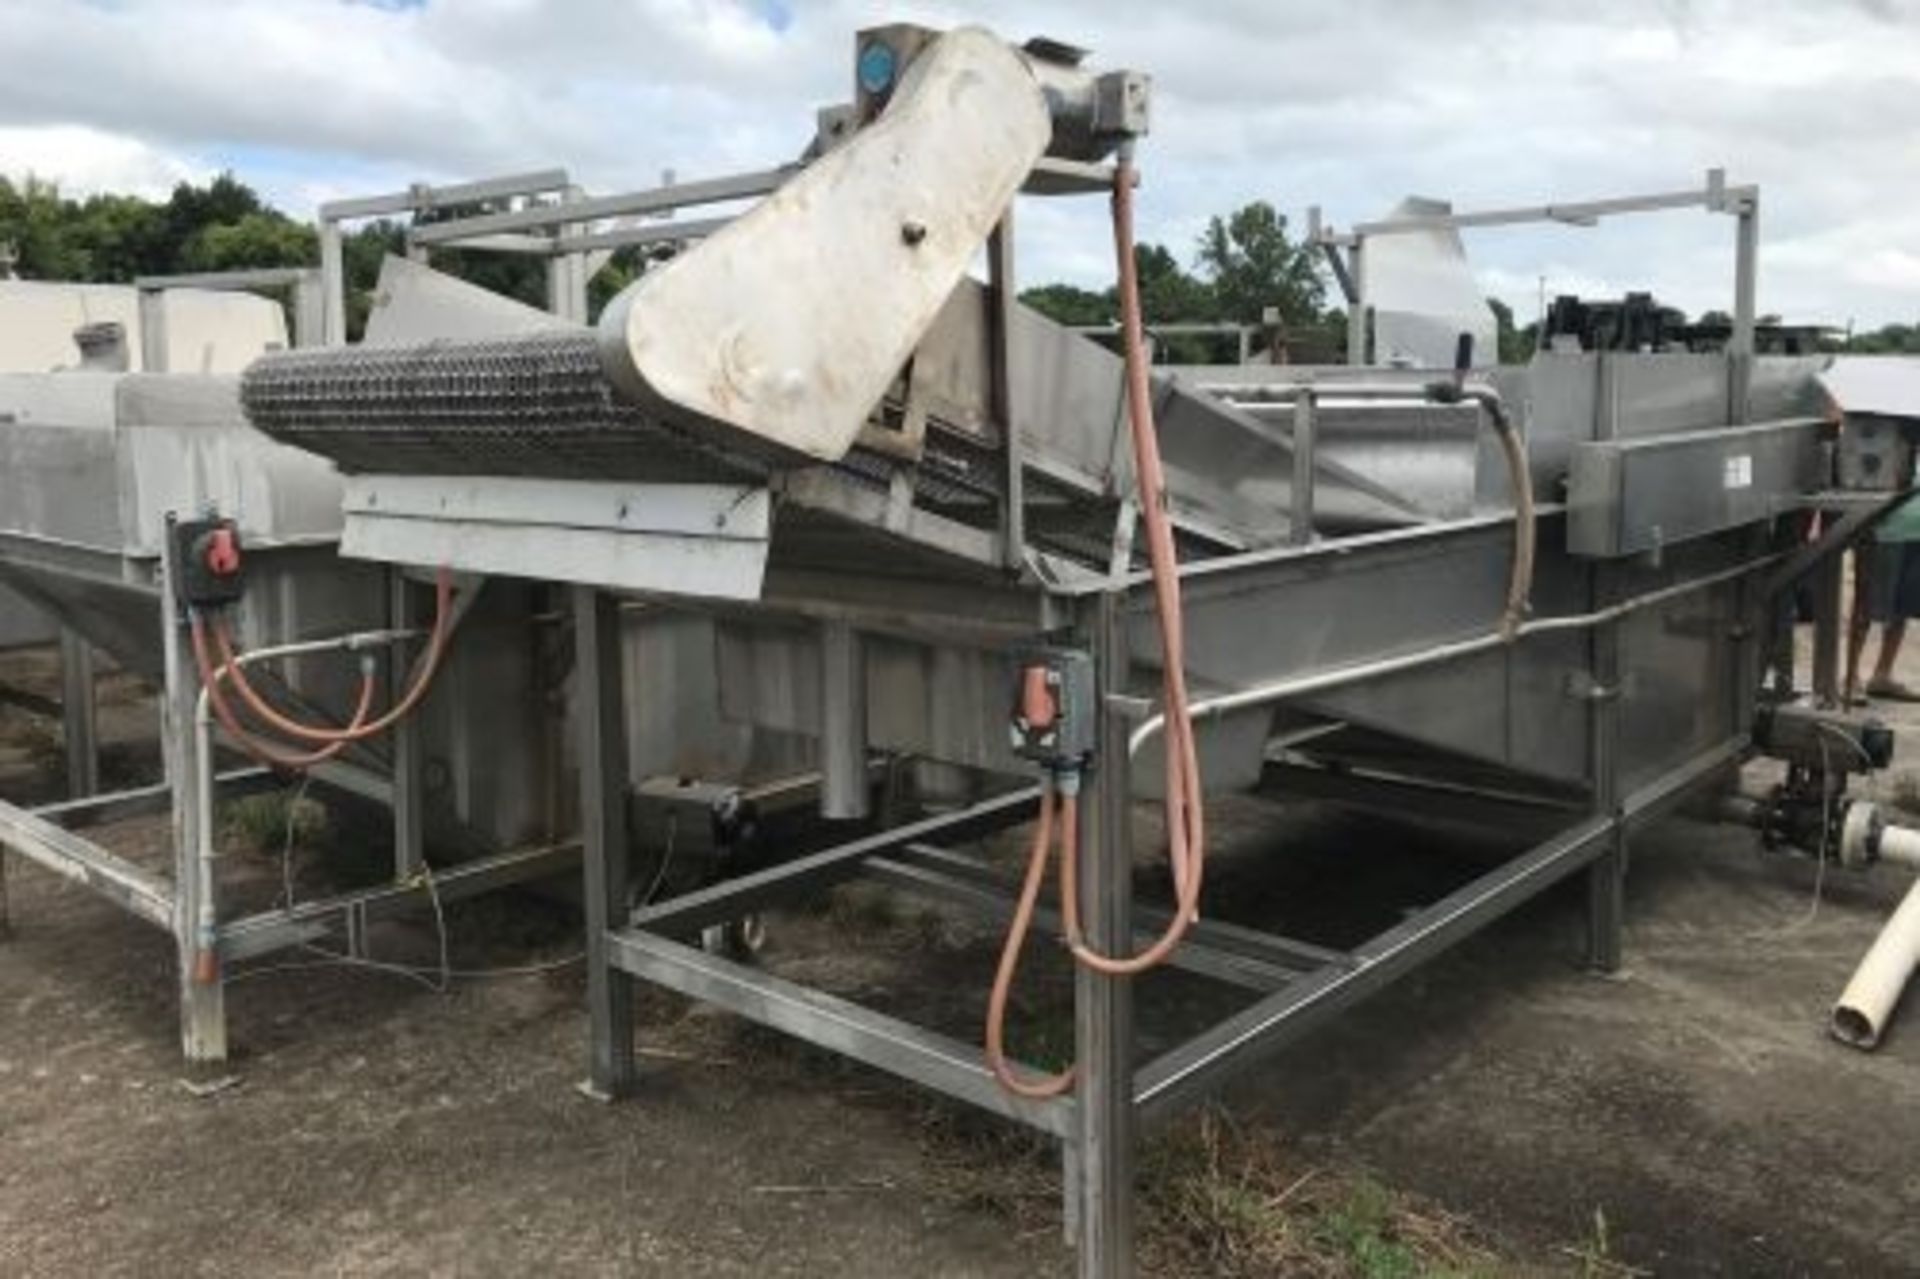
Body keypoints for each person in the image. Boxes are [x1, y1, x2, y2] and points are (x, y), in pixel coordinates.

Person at [1846, 493, 1920, 704]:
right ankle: (1850, 678)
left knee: (1903, 604)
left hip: (1916, 528)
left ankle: (1883, 674)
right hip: (1884, 526)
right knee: (1866, 602)